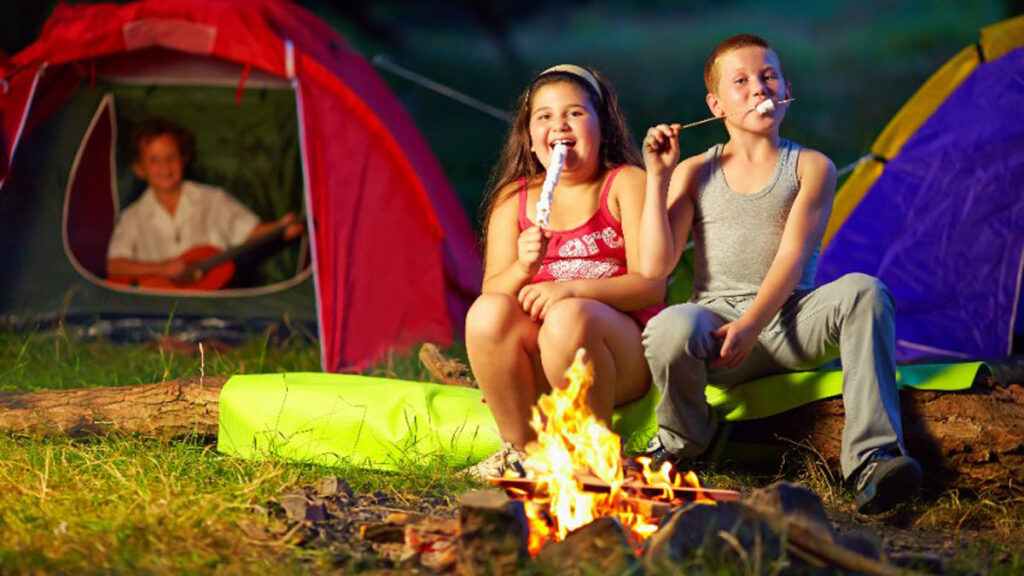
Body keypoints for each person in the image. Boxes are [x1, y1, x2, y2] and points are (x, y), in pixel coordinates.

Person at [639, 34, 921, 514]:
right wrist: (657, 177)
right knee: (669, 326)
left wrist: (754, 325)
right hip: (720, 330)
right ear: (716, 105)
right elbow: (655, 265)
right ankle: (682, 441)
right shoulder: (692, 172)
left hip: (791, 321)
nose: (758, 88)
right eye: (741, 81)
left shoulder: (813, 167)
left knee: (866, 292)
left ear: (786, 87)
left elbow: (792, 256)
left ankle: (872, 458)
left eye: (768, 76)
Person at [465, 64, 664, 478]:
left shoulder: (625, 184)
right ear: (530, 136)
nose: (559, 125)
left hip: (616, 358)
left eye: (574, 113)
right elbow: (493, 294)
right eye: (545, 116)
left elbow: (650, 286)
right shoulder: (513, 200)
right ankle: (526, 453)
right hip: (539, 363)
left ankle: (593, 452)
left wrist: (571, 290)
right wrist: (523, 266)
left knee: (567, 315)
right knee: (485, 314)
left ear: (603, 127)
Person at [106, 118, 303, 286]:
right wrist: (162, 269)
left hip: (213, 301)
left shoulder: (213, 200)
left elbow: (249, 231)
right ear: (139, 168)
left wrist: (281, 227)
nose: (164, 167)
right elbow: (114, 264)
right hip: (158, 308)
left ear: (185, 158)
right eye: (154, 160)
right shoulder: (134, 216)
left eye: (171, 157)